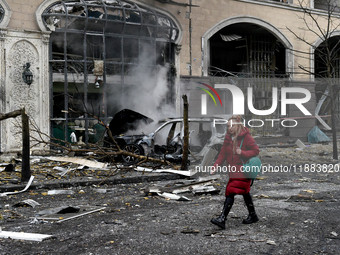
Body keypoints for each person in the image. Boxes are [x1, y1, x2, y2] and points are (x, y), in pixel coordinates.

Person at [210, 115, 260, 230]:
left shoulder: (246, 137)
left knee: (230, 191)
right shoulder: (228, 138)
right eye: (228, 126)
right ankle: (253, 215)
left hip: (243, 171)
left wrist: (242, 152)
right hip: (233, 171)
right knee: (245, 192)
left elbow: (256, 151)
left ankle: (222, 219)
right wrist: (216, 166)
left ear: (238, 125)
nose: (229, 128)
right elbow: (222, 153)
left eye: (232, 126)